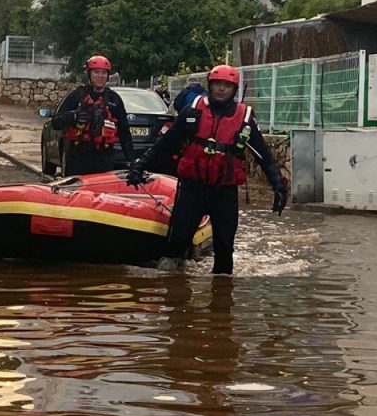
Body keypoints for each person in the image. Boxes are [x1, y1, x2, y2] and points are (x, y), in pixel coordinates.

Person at [127, 64, 288, 276]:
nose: (221, 89)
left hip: (224, 192)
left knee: (224, 250)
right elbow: (166, 144)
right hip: (192, 189)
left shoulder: (244, 119)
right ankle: (172, 293)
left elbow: (264, 156)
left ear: (234, 89)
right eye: (217, 85)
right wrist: (140, 165)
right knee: (175, 244)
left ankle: (221, 300)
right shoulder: (192, 112)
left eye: (226, 86)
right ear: (210, 86)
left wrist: (278, 185)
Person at [52, 55, 134, 176]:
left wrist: (132, 160)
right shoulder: (76, 96)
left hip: (104, 158)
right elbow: (56, 122)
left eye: (103, 73)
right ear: (89, 74)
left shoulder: (114, 99)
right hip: (78, 157)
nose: (100, 76)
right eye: (96, 72)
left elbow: (124, 131)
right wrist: (73, 117)